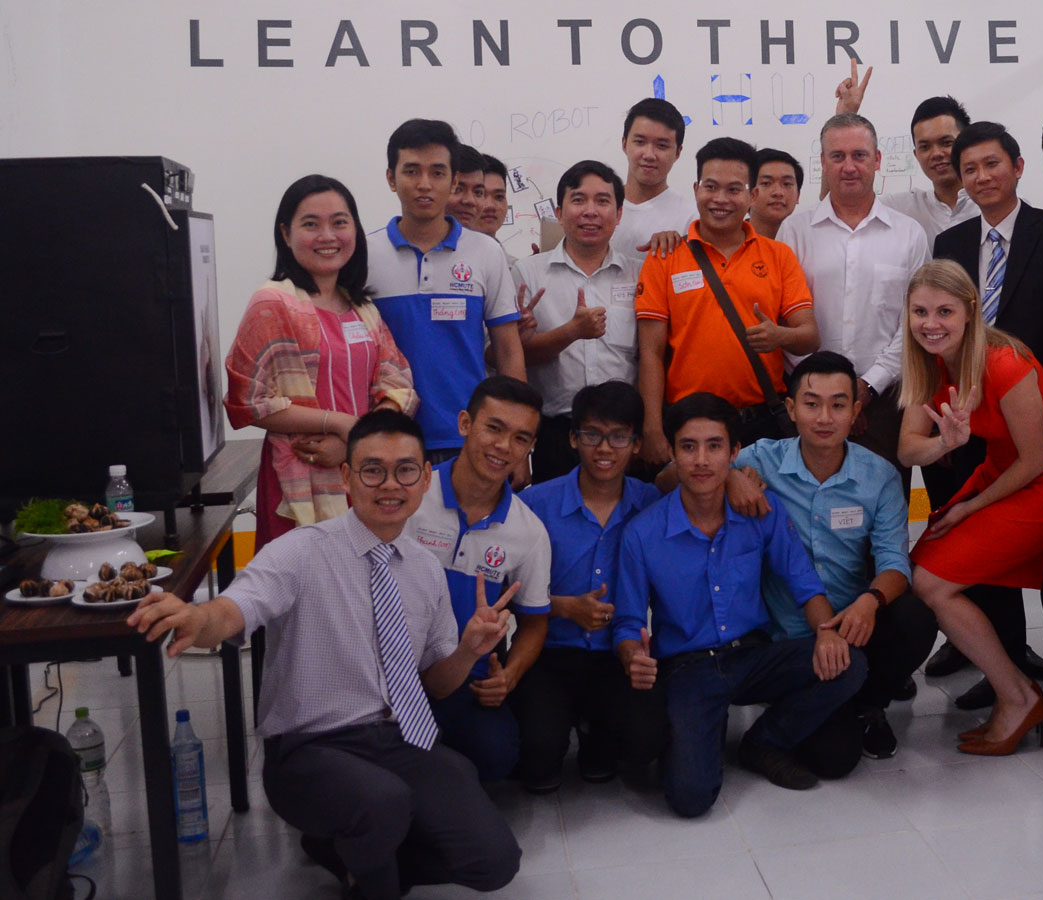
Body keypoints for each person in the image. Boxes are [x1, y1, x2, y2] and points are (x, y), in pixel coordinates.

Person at [127, 410, 521, 900]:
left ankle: (349, 852)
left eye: (404, 471)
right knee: (384, 804)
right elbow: (237, 607)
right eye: (372, 470)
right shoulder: (299, 552)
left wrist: (466, 650)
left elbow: (437, 685)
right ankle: (370, 876)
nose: (389, 485)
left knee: (495, 862)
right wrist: (197, 618)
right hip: (309, 751)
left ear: (423, 480)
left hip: (398, 741)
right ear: (347, 478)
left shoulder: (424, 568)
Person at [613, 392, 867, 817]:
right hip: (687, 667)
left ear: (734, 452)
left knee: (849, 663)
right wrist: (631, 656)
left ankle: (764, 742)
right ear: (673, 454)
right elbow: (627, 621)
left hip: (753, 655)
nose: (701, 461)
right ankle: (694, 737)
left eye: (715, 446)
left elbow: (804, 583)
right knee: (690, 799)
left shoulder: (761, 511)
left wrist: (826, 635)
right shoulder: (642, 533)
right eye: (688, 447)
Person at [898, 260, 1043, 755]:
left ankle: (1018, 696)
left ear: (971, 312)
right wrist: (945, 445)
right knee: (922, 572)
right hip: (1004, 471)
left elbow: (1039, 458)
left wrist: (969, 508)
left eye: (944, 310)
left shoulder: (1003, 362)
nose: (930, 323)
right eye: (920, 311)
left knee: (932, 583)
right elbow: (907, 450)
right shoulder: (926, 361)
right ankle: (1016, 689)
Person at [929, 120, 1043, 715]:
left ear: (1018, 167)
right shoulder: (952, 244)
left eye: (992, 164)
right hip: (971, 425)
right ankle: (1006, 665)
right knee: (990, 557)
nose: (981, 177)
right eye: (970, 169)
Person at [715, 352, 937, 760]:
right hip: (786, 634)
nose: (824, 417)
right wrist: (728, 475)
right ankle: (801, 700)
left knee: (915, 618)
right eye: (812, 403)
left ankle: (868, 704)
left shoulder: (880, 475)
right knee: (833, 759)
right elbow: (682, 473)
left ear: (855, 412)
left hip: (853, 625)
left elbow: (894, 563)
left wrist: (869, 603)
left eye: (838, 405)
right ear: (791, 408)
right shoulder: (760, 459)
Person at [225, 174, 418, 547]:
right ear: (285, 233)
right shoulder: (273, 304)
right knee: (305, 591)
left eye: (340, 222)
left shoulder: (361, 308)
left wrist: (355, 443)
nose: (327, 236)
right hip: (299, 478)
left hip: (364, 473)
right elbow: (249, 402)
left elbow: (399, 386)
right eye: (311, 224)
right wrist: (341, 425)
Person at [515, 381, 669, 793]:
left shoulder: (651, 502)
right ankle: (559, 720)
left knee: (642, 743)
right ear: (572, 438)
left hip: (616, 655)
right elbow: (505, 594)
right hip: (548, 650)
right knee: (536, 756)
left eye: (619, 436)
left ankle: (591, 727)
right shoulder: (535, 505)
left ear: (637, 444)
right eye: (592, 435)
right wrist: (564, 607)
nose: (605, 448)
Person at [636, 137, 820, 464]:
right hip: (689, 424)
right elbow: (650, 352)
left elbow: (808, 337)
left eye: (734, 190)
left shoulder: (778, 255)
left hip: (762, 422)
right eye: (711, 187)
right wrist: (651, 428)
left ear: (752, 196)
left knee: (763, 512)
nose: (720, 199)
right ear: (695, 189)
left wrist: (782, 336)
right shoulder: (665, 256)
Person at [408, 376, 552, 781]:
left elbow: (535, 622)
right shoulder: (410, 495)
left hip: (465, 680)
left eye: (521, 438)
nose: (504, 447)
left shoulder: (529, 532)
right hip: (387, 676)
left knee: (497, 757)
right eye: (494, 428)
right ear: (465, 424)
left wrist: (509, 677)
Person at [367, 119, 525, 464]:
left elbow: (509, 352)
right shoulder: (364, 255)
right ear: (391, 178)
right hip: (384, 438)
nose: (425, 185)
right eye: (411, 171)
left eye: (437, 173)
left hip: (469, 440)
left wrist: (517, 446)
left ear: (453, 180)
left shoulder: (486, 252)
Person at [777, 114, 929, 471]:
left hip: (887, 403)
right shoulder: (795, 231)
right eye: (837, 156)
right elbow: (785, 318)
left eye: (859, 155)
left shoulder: (909, 234)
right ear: (823, 163)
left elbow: (916, 324)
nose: (848, 166)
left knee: (884, 509)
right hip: (808, 403)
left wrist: (867, 388)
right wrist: (827, 396)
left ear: (877, 160)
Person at [515, 160, 642, 483]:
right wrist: (571, 333)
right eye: (578, 199)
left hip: (625, 436)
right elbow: (507, 357)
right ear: (559, 213)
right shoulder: (527, 274)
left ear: (619, 213)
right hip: (557, 435)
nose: (590, 211)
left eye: (602, 201)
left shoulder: (641, 274)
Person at [836, 79, 978, 249]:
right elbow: (839, 201)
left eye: (946, 143)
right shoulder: (902, 209)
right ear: (916, 154)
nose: (936, 154)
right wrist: (843, 118)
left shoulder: (991, 203)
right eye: (925, 147)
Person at [612, 98, 699, 262]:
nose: (649, 155)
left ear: (678, 153)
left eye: (662, 146)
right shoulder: (599, 209)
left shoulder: (691, 218)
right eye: (640, 142)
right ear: (624, 144)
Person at [750, 148, 804, 239]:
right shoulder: (728, 242)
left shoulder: (806, 240)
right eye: (766, 183)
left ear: (798, 195)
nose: (778, 193)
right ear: (749, 193)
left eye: (787, 184)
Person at [445, 144, 486, 232]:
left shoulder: (488, 245)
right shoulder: (410, 242)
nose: (470, 201)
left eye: (478, 192)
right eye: (458, 189)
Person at [476, 154, 511, 237]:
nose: (490, 206)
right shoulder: (444, 249)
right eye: (480, 194)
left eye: (499, 197)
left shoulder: (495, 249)